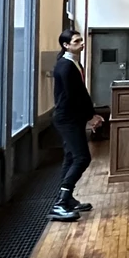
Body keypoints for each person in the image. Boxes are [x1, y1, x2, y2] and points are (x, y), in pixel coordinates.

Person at [51, 28, 103, 221]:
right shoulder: (65, 66)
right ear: (66, 45)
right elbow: (73, 96)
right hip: (67, 118)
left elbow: (82, 93)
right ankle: (60, 203)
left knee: (71, 156)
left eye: (81, 40)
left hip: (73, 117)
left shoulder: (74, 63)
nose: (82, 43)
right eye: (77, 41)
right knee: (82, 158)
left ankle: (66, 199)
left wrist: (91, 114)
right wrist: (90, 117)